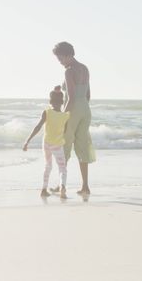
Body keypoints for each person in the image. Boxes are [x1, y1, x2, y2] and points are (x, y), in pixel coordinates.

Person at [53, 41, 96, 195]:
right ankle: (85, 186)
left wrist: (63, 117)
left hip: (73, 109)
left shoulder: (69, 71)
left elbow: (70, 98)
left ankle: (61, 186)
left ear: (69, 55)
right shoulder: (84, 68)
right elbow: (87, 94)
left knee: (64, 146)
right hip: (85, 109)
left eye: (61, 59)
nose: (60, 62)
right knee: (82, 146)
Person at [23, 86, 70, 199]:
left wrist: (27, 141)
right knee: (62, 168)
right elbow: (66, 131)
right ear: (62, 102)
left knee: (48, 166)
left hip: (47, 144)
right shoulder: (66, 116)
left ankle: (44, 189)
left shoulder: (47, 112)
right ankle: (62, 186)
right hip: (58, 144)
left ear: (50, 101)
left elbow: (38, 127)